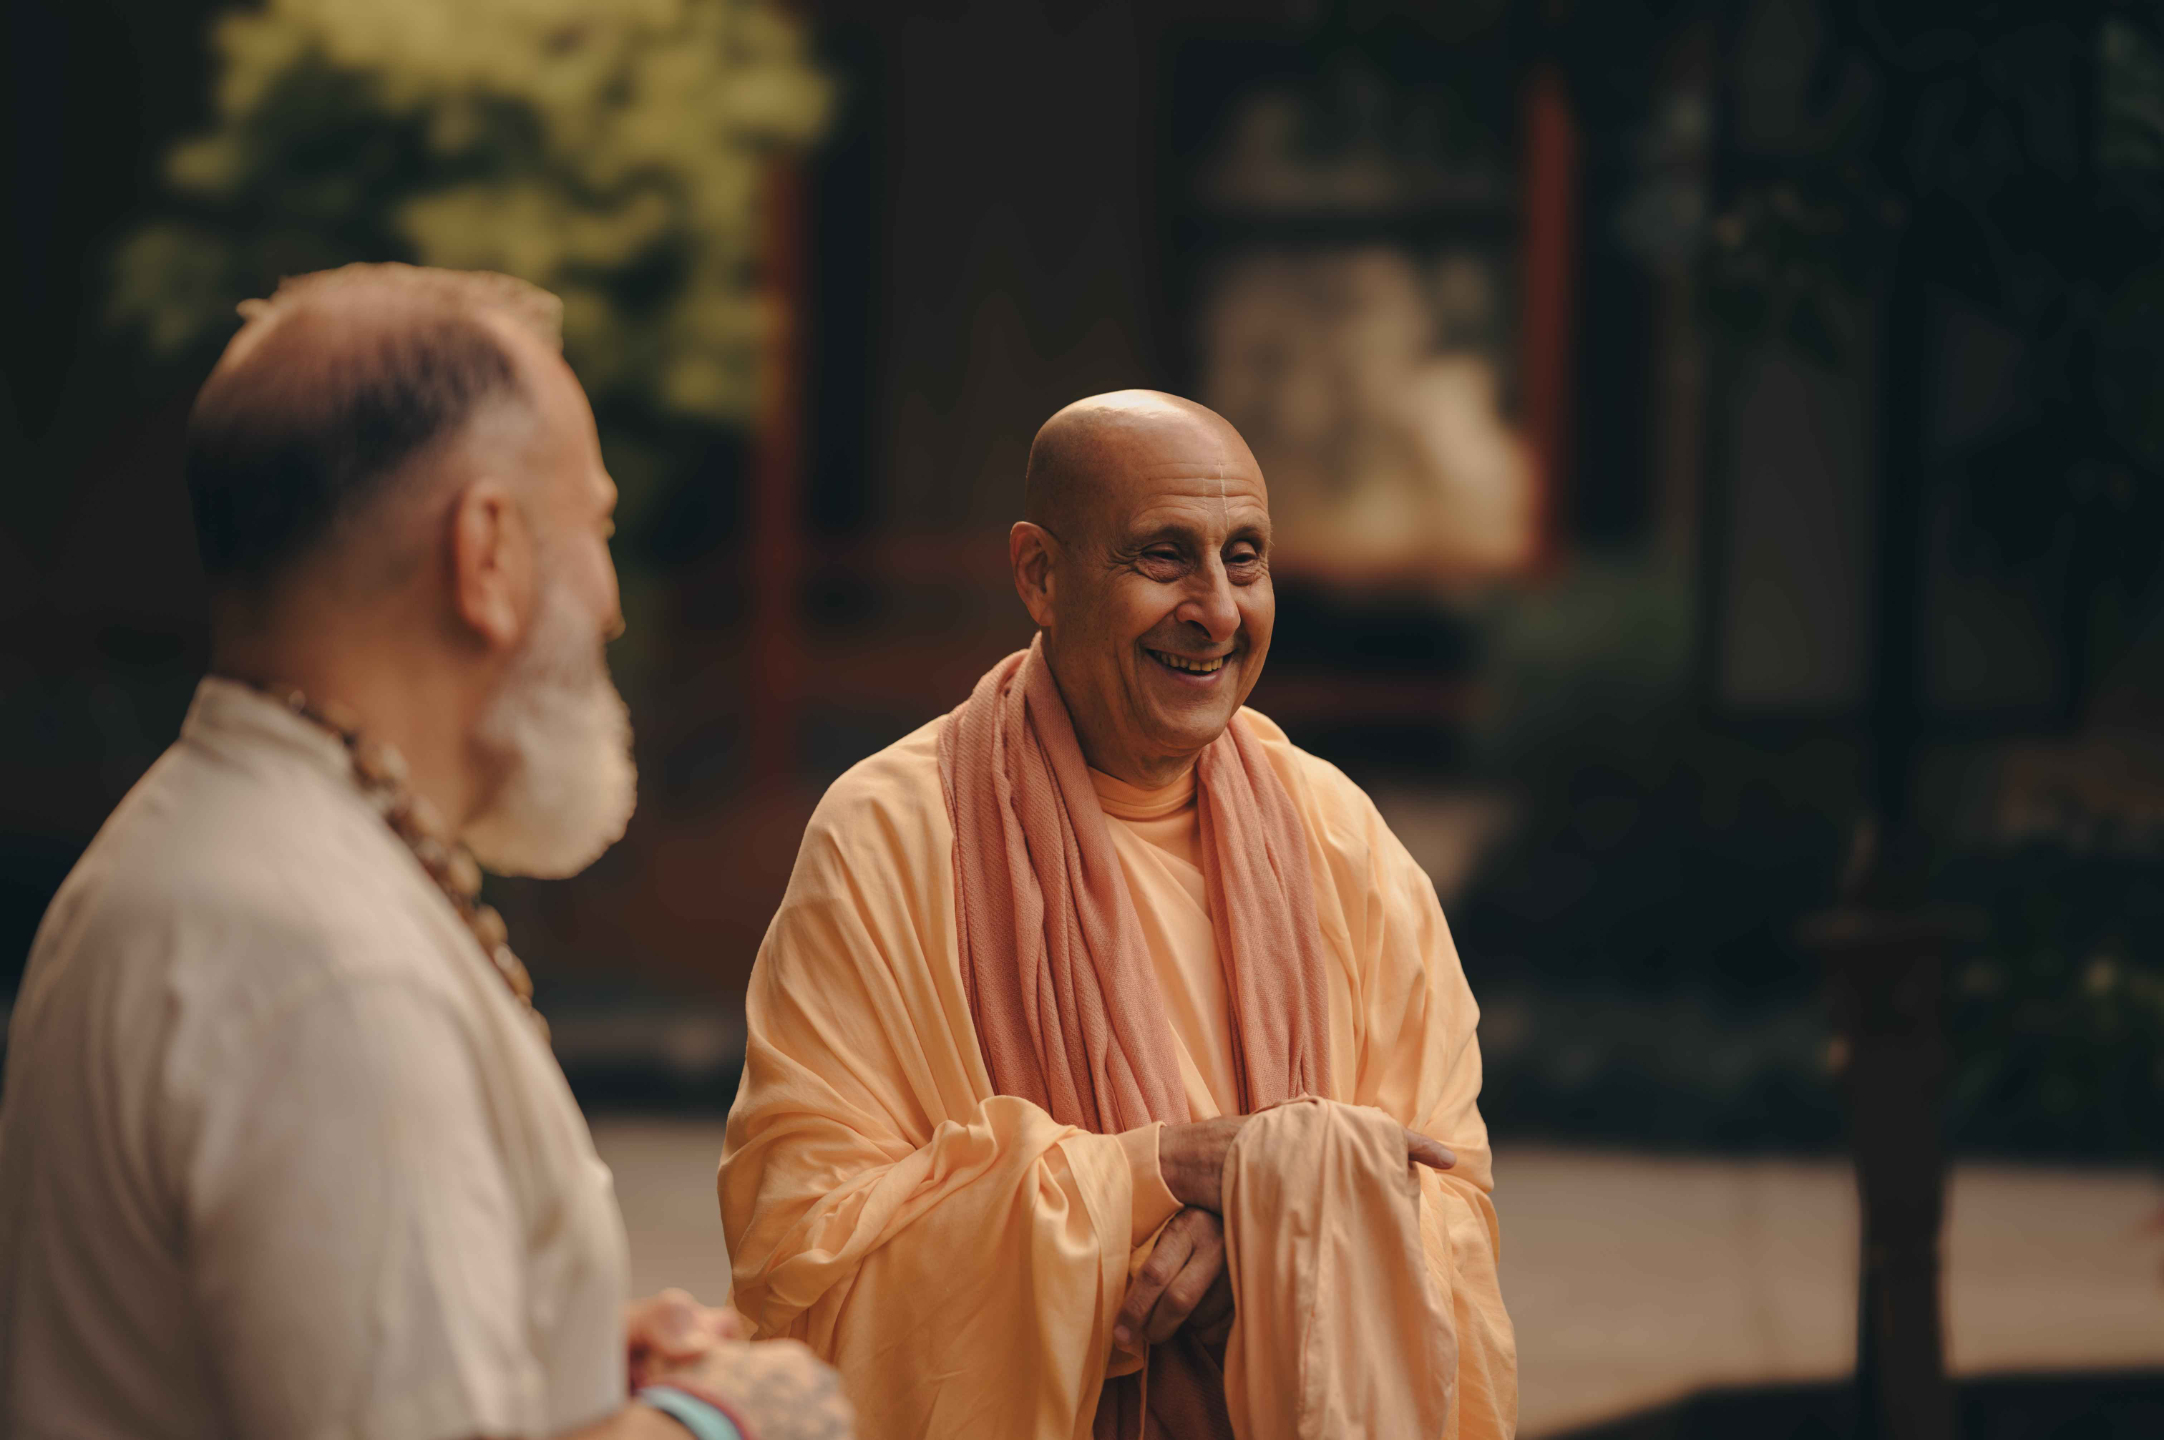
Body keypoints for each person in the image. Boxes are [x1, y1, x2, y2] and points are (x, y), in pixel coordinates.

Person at [0, 264, 852, 1440]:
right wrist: (717, 1423)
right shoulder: (323, 966)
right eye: (593, 527)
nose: (609, 603)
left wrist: (557, 1350)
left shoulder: (225, 853)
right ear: (487, 554)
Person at [719, 390, 1516, 1438]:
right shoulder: (896, 837)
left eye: (1244, 557)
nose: (1217, 611)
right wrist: (1150, 1178)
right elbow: (804, 1254)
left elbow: (1450, 1200)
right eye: (1163, 556)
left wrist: (1273, 1224)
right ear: (1039, 576)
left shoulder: (1339, 837)